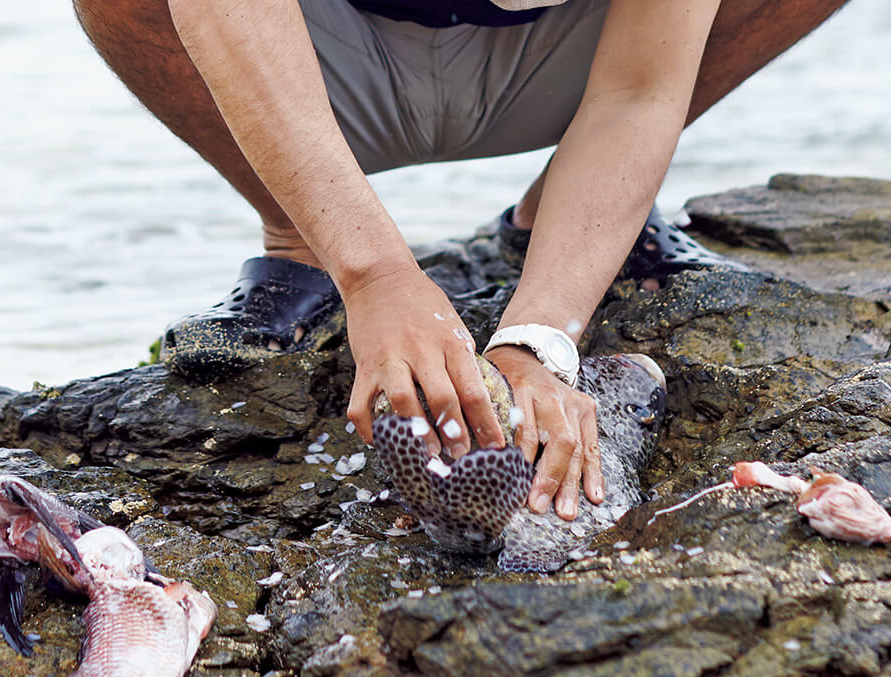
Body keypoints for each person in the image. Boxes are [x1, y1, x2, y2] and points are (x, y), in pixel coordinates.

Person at [72, 0, 846, 521]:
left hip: (558, 63)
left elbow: (637, 92)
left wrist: (542, 334)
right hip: (307, 64)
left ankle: (563, 219)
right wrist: (374, 275)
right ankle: (300, 239)